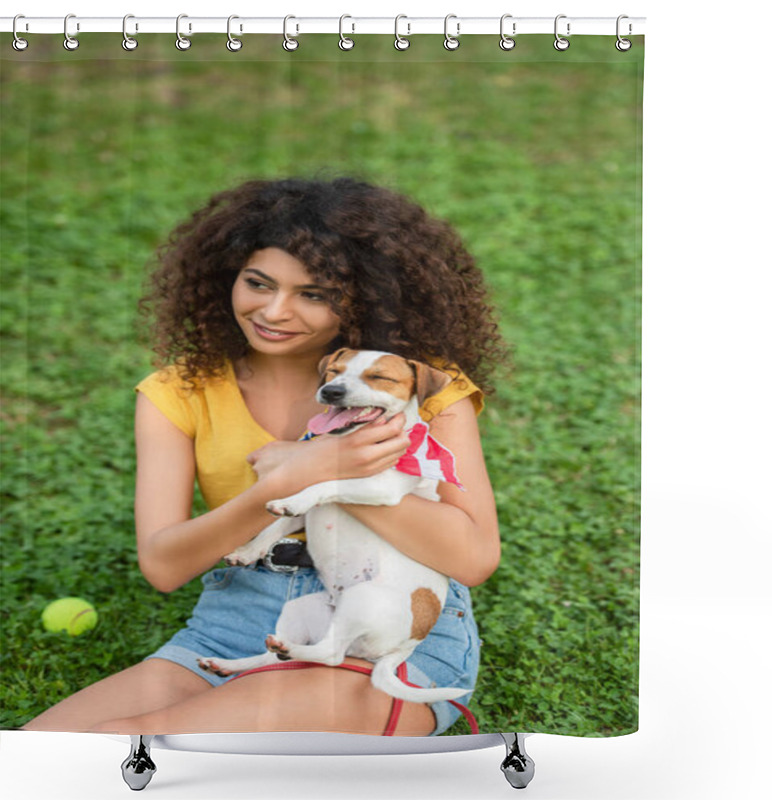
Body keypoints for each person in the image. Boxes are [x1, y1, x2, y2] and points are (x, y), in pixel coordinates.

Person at [24, 177, 505, 737]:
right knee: (42, 752)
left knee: (146, 744)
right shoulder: (179, 392)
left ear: (361, 298)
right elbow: (163, 565)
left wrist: (328, 469)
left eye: (314, 294)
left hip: (389, 631)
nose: (275, 311)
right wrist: (285, 482)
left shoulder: (412, 388)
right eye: (258, 283)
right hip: (234, 624)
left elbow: (472, 557)